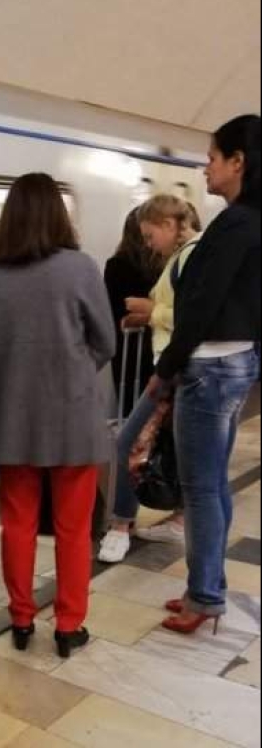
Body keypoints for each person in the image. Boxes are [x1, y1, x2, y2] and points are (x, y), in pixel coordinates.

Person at [0, 173, 116, 658]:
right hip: (73, 420)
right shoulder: (80, 268)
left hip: (13, 420)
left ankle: (20, 618)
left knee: (17, 522)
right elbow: (106, 342)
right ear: (58, 214)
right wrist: (71, 371)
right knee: (75, 528)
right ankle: (69, 625)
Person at [148, 115, 261, 635]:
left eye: (213, 157)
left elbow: (202, 301)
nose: (206, 167)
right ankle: (206, 587)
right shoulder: (250, 219)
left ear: (239, 162)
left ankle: (205, 596)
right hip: (235, 361)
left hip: (211, 368)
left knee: (200, 487)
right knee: (211, 485)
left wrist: (165, 371)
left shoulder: (238, 222)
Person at [98, 196, 202, 563]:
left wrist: (150, 311)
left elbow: (196, 316)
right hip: (169, 368)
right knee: (156, 445)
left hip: (174, 370)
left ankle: (121, 525)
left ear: (170, 224)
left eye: (150, 233)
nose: (147, 243)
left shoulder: (192, 255)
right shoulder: (182, 256)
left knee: (131, 442)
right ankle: (156, 522)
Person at [104, 209, 163, 416]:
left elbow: (112, 311)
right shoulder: (162, 266)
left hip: (125, 349)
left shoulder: (115, 265)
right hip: (157, 345)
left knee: (129, 407)